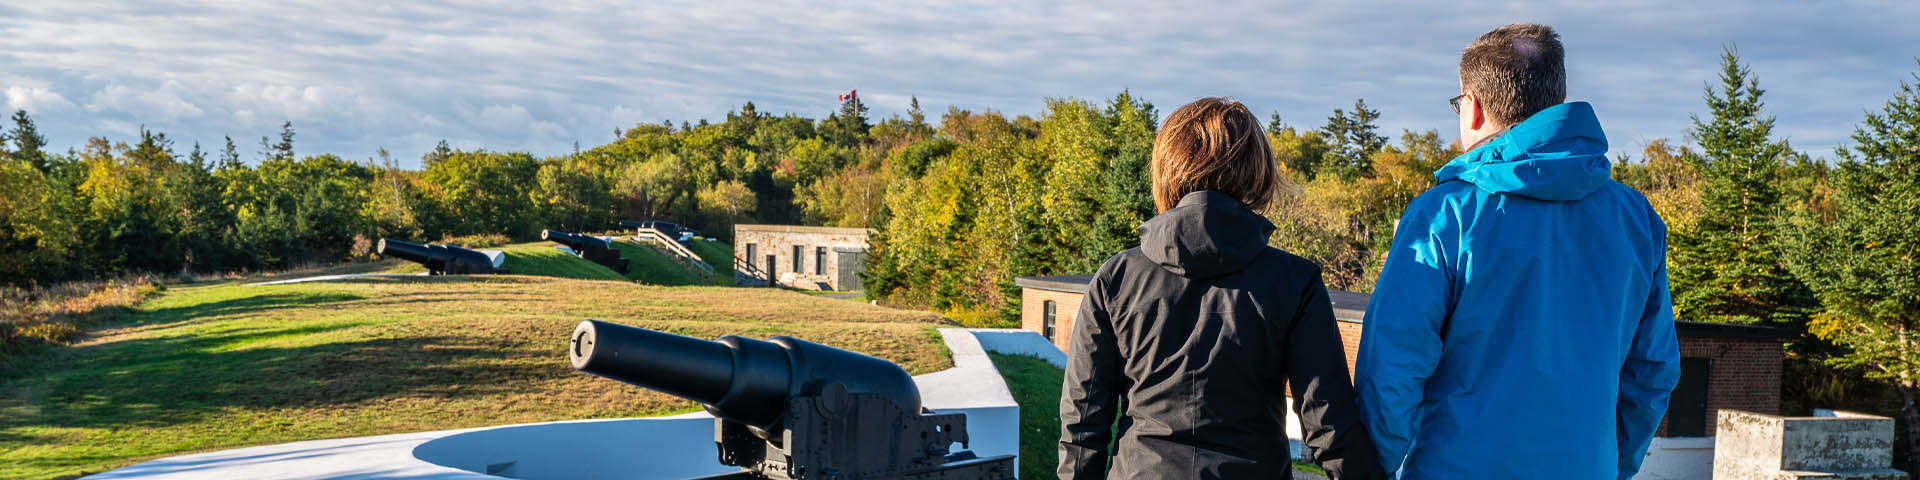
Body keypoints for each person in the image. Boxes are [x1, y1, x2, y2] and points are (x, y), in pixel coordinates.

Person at [1353, 24, 1682, 479]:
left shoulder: (1445, 215)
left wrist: (1374, 471)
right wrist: (1611, 465)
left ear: (1472, 107)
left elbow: (1391, 370)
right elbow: (1652, 373)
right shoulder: (1636, 219)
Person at [1058, 97, 1378, 480]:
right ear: (1254, 170)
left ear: (1168, 169)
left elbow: (1082, 424)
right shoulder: (1294, 281)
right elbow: (1330, 425)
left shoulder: (1115, 279)